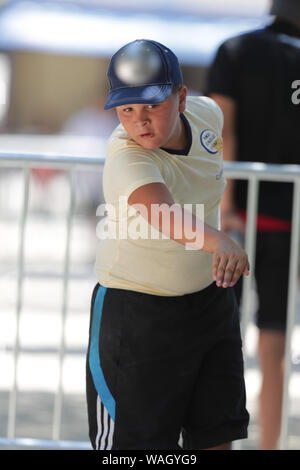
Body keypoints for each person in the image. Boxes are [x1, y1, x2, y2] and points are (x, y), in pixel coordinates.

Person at [86, 39, 250, 451]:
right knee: (135, 450)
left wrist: (225, 217)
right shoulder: (125, 154)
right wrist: (221, 242)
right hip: (138, 315)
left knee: (217, 434)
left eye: (151, 106)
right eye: (127, 110)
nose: (139, 121)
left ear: (181, 97)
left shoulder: (208, 114)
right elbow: (164, 215)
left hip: (210, 302)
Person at [205, 0, 300, 450]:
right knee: (275, 341)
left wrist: (227, 211)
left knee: (221, 340)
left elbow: (225, 132)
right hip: (292, 222)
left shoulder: (236, 50)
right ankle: (270, 446)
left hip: (239, 220)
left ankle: (218, 441)